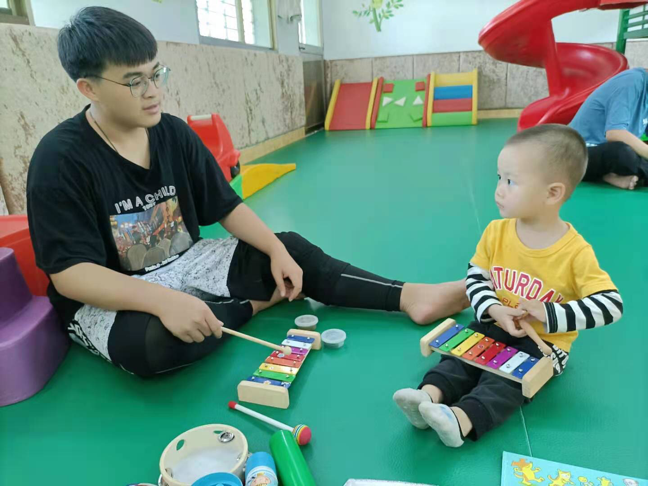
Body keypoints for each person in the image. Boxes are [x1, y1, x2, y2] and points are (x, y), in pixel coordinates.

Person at [26, 7, 468, 378]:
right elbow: (71, 275)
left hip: (186, 263)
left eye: (156, 73)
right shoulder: (59, 158)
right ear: (88, 87)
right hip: (112, 293)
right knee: (154, 344)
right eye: (135, 81)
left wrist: (275, 249)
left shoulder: (172, 133)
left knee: (292, 252)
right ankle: (250, 305)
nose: (154, 91)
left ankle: (410, 295)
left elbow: (226, 205)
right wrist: (164, 301)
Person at [393, 125, 623, 447]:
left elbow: (611, 305)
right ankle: (427, 397)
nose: (499, 190)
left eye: (511, 182)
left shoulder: (575, 253)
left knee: (503, 381)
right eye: (499, 178)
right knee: (459, 357)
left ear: (552, 193)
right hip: (495, 324)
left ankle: (460, 420)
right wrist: (493, 308)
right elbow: (476, 276)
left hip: (544, 345)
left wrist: (548, 313)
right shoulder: (496, 232)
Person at [569, 67, 648, 190]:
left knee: (633, 154)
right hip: (578, 152)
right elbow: (615, 134)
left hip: (606, 156)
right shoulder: (632, 81)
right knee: (622, 153)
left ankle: (607, 175)